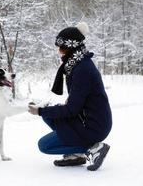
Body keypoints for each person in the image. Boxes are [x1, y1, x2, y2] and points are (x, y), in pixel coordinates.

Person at [28, 22, 112, 171]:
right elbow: (75, 103)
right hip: (86, 119)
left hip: (93, 126)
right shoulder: (76, 64)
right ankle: (75, 154)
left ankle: (93, 147)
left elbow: (71, 109)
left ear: (72, 48)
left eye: (62, 48)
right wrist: (44, 111)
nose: (59, 52)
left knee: (44, 145)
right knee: (48, 115)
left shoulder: (82, 70)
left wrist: (40, 111)